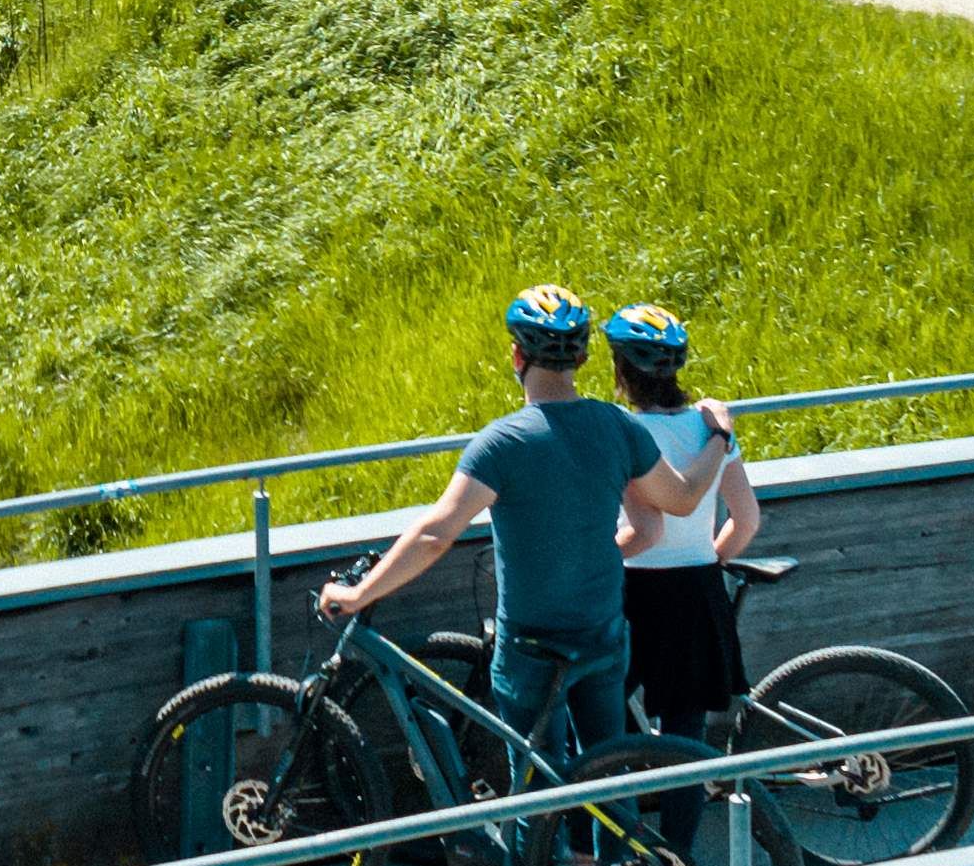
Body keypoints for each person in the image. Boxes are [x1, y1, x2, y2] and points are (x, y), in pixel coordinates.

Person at [315, 285, 739, 783]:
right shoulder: (616, 426)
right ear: (581, 358)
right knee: (608, 769)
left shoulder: (501, 442)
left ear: (517, 356)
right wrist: (719, 436)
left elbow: (435, 534)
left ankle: (543, 836)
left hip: (531, 642)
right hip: (601, 632)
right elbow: (681, 499)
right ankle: (614, 832)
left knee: (535, 784)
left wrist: (360, 593)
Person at [603, 303, 759, 751]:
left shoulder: (623, 431)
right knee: (686, 740)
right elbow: (746, 519)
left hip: (631, 590)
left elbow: (638, 528)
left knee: (602, 719)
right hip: (696, 590)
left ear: (621, 369)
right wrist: (709, 561)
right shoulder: (712, 430)